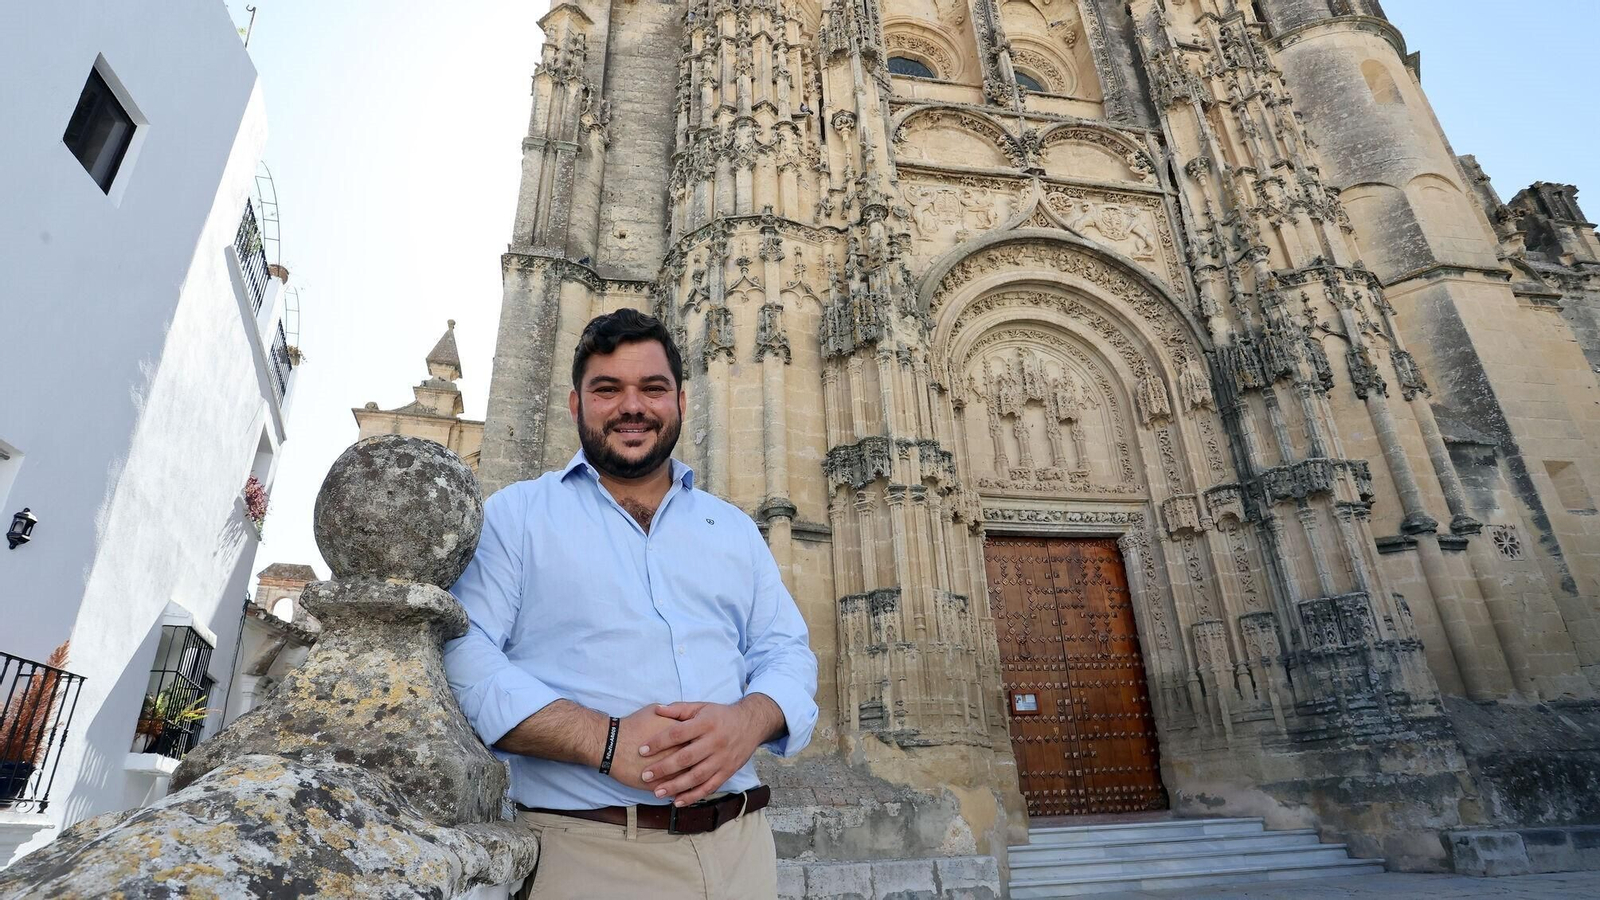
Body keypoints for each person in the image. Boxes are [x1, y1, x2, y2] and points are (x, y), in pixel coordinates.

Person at [444, 309, 818, 899]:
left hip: (744, 853)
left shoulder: (733, 528)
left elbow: (786, 652)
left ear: (681, 401)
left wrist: (748, 722)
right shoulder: (516, 517)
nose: (632, 406)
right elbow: (463, 655)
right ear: (575, 406)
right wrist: (604, 740)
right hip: (587, 857)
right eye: (608, 389)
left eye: (652, 388)